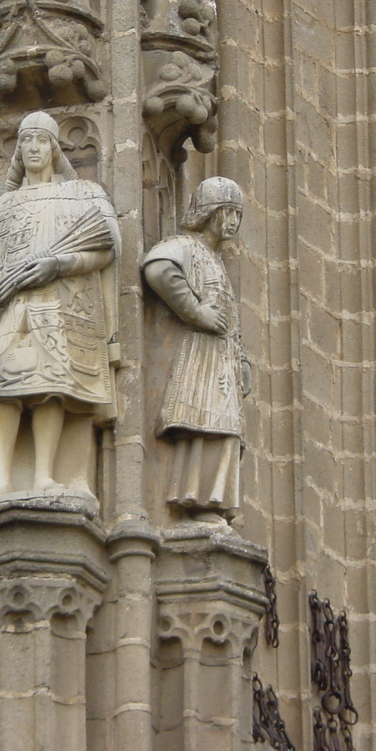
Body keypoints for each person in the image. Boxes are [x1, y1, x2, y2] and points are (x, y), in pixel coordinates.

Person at [0, 111, 119, 495]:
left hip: (57, 305)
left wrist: (58, 264)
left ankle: (45, 474)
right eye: (25, 141)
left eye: (40, 140)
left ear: (54, 148)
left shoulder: (81, 194)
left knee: (49, 385)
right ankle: (1, 479)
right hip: (7, 306)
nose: (32, 148)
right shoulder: (5, 205)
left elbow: (103, 249)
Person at [142, 177, 250, 524]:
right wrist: (194, 310)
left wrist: (242, 360)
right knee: (206, 425)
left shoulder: (216, 260)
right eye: (226, 212)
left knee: (226, 428)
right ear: (207, 213)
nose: (232, 221)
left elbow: (229, 319)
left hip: (222, 359)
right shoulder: (186, 245)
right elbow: (157, 268)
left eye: (237, 214)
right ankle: (196, 500)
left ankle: (214, 502)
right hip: (200, 357)